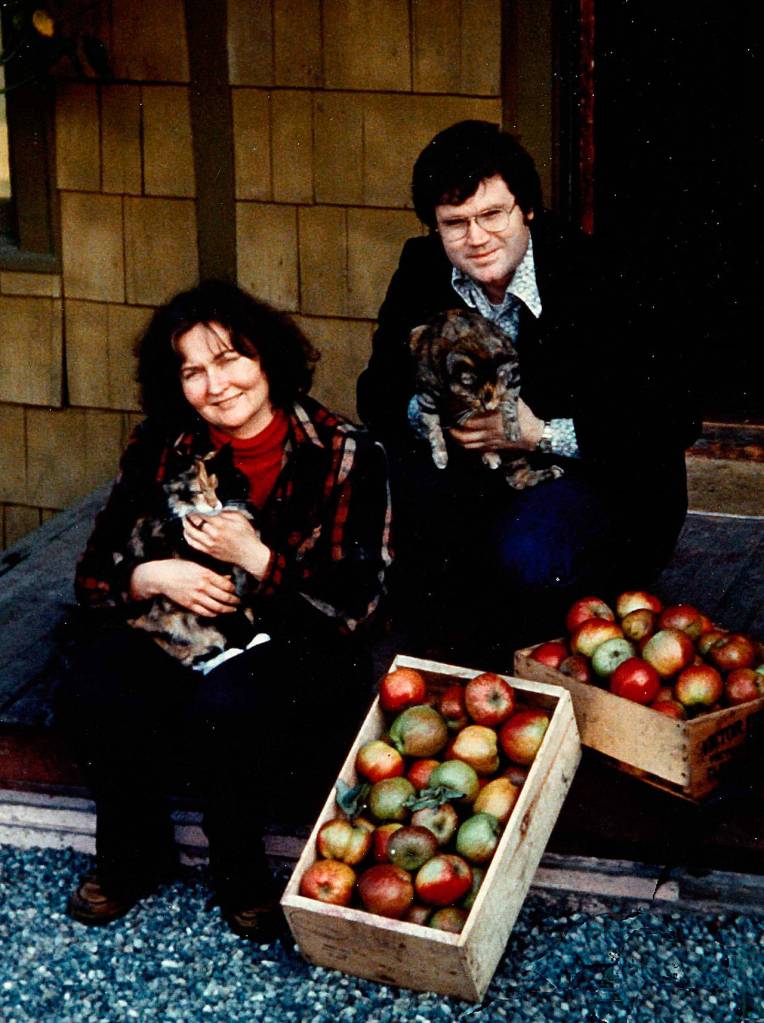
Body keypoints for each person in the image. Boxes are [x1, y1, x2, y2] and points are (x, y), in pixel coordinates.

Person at [56, 280, 391, 939]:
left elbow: (357, 608)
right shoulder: (162, 445)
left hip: (297, 640)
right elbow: (94, 576)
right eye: (193, 370)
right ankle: (132, 855)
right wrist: (154, 574)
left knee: (228, 706)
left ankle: (241, 873)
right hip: (184, 629)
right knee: (93, 685)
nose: (218, 384)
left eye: (230, 357)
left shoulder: (346, 453)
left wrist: (258, 559)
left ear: (265, 357)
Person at [357, 119, 698, 665]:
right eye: (455, 223)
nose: (477, 238)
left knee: (530, 556)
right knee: (418, 550)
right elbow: (375, 393)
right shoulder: (420, 270)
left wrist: (541, 432)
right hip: (475, 476)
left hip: (595, 479)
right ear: (435, 228)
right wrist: (438, 414)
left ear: (527, 209)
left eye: (493, 214)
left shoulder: (601, 274)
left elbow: (673, 416)